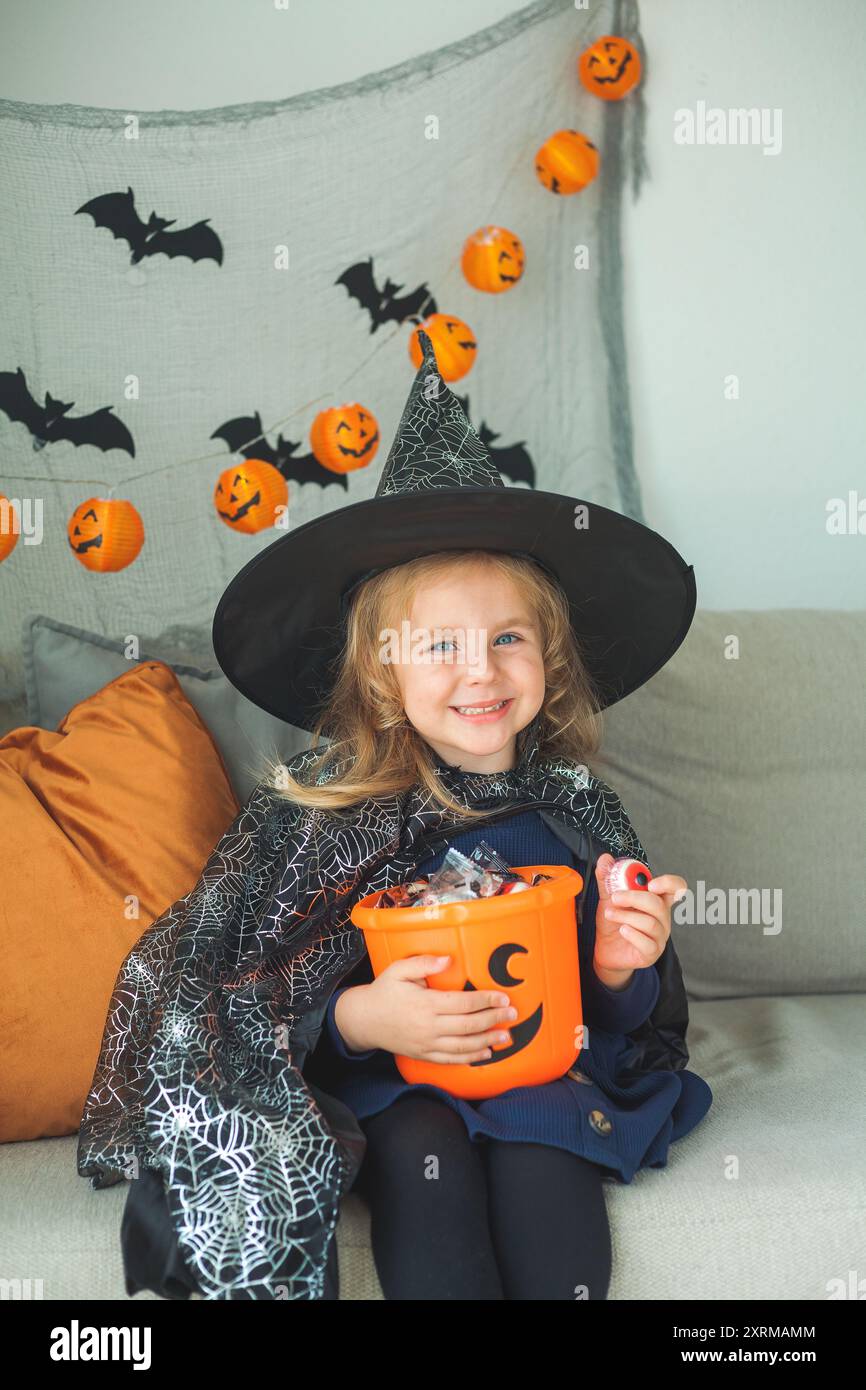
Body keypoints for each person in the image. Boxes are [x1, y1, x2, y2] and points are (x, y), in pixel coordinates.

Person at [79, 330, 710, 1301]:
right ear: (382, 672)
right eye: (439, 644)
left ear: (547, 661)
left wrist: (619, 963)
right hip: (397, 1083)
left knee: (545, 1163)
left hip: (541, 1070)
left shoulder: (574, 806)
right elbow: (250, 984)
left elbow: (624, 1017)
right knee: (425, 1168)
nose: (479, 669)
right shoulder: (328, 810)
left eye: (507, 637)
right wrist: (362, 1016)